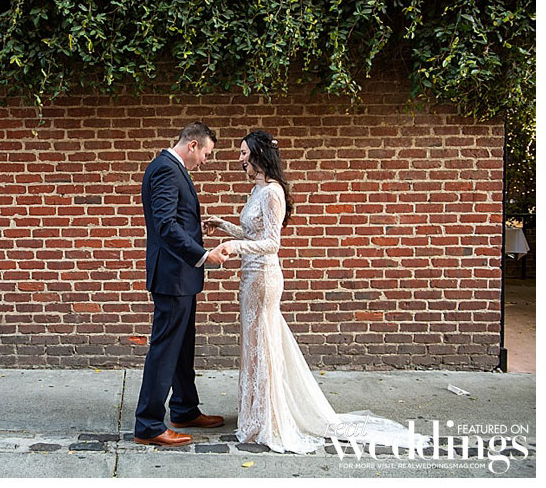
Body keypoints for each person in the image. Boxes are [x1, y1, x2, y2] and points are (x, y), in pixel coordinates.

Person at [204, 130, 430, 454]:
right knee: (254, 345)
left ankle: (269, 419)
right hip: (249, 277)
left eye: (243, 153)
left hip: (264, 278)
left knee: (263, 346)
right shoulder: (257, 190)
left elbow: (271, 244)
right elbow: (253, 232)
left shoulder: (272, 193)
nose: (239, 159)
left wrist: (233, 246)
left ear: (258, 155)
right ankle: (256, 414)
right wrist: (224, 226)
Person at [133, 122, 228, 447]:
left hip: (181, 277)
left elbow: (175, 218)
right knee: (164, 349)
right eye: (206, 154)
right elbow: (165, 225)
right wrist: (203, 254)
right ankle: (148, 425)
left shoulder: (171, 169)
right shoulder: (166, 169)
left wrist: (195, 225)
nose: (205, 161)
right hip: (172, 277)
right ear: (192, 145)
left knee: (182, 346)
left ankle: (185, 409)